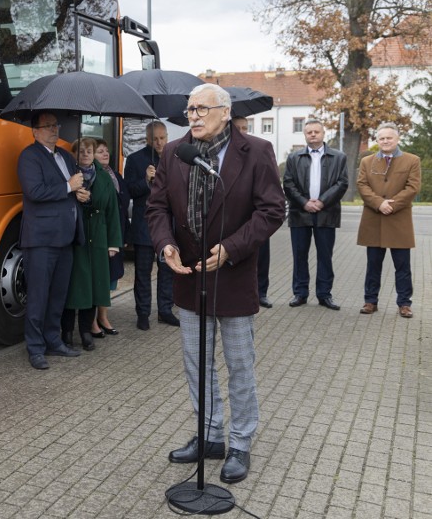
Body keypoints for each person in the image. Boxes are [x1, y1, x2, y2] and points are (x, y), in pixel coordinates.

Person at [146, 83, 284, 484]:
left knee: (240, 364)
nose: (193, 116)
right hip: (190, 277)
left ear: (225, 112)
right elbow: (156, 207)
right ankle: (209, 436)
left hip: (235, 275)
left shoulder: (255, 151)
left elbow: (273, 210)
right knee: (197, 363)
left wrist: (232, 248)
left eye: (202, 109)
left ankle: (240, 443)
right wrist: (165, 244)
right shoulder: (175, 152)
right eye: (189, 109)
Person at [17, 112, 89, 370]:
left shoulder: (66, 156)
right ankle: (35, 348)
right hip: (41, 240)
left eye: (55, 125)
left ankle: (53, 340)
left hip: (65, 237)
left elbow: (72, 187)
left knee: (58, 295)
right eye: (46, 126)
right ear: (34, 131)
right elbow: (34, 192)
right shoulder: (29, 157)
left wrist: (79, 192)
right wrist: (69, 187)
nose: (53, 130)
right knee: (38, 296)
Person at [61, 138, 122, 351]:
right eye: (81, 151)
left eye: (89, 151)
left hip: (98, 236)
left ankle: (86, 331)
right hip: (76, 236)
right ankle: (66, 332)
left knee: (95, 286)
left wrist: (114, 243)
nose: (85, 154)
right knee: (74, 287)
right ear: (75, 154)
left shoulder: (104, 178)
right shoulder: (68, 175)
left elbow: (113, 212)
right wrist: (75, 196)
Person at [356, 122, 421, 318]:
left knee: (402, 265)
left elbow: (413, 187)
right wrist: (379, 203)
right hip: (373, 219)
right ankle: (370, 301)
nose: (385, 141)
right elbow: (362, 185)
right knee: (373, 264)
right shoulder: (367, 162)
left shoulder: (412, 160)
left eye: (389, 137)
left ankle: (404, 303)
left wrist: (391, 205)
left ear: (397, 139)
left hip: (399, 220)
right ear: (377, 140)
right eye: (381, 138)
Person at [283, 118, 348, 310]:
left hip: (327, 213)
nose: (312, 135)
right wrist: (304, 202)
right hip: (299, 213)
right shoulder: (294, 157)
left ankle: (324, 295)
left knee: (325, 256)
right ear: (305, 134)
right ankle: (300, 293)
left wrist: (321, 202)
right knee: (299, 256)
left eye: (316, 132)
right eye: (309, 132)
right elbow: (288, 183)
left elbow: (342, 183)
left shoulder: (339, 157)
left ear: (323, 133)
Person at [124, 120, 178, 329]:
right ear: (147, 139)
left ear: (167, 136)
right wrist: (146, 180)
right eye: (154, 139)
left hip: (168, 225)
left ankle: (165, 310)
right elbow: (130, 190)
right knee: (143, 272)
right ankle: (143, 313)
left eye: (162, 138)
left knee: (167, 270)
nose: (159, 142)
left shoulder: (174, 157)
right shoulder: (135, 160)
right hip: (144, 224)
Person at [232, 116, 274, 308]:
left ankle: (262, 292)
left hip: (256, 218)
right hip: (236, 220)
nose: (242, 132)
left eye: (245, 128)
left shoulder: (258, 151)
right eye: (238, 128)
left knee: (262, 257)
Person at [93, 139, 129, 335]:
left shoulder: (115, 174)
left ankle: (103, 315)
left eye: (106, 150)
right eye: (100, 151)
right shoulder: (94, 175)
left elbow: (123, 204)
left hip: (117, 231)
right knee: (100, 275)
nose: (105, 154)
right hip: (102, 233)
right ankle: (96, 320)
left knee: (110, 277)